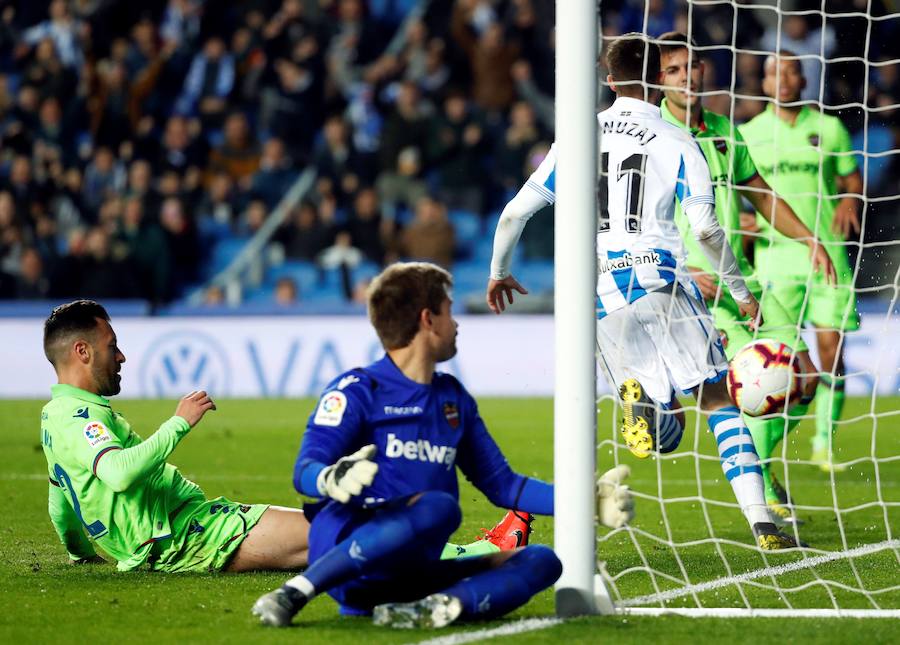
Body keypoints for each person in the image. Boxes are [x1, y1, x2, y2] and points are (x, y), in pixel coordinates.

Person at [486, 34, 799, 550]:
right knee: (718, 400)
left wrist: (498, 270)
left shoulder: (578, 137)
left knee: (656, 419)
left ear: (609, 81)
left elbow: (516, 211)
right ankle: (762, 523)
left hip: (600, 295)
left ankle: (649, 400)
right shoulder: (679, 141)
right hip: (660, 279)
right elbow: (707, 232)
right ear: (658, 79)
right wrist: (741, 292)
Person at [252, 262, 635, 628]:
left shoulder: (453, 400)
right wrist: (329, 478)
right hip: (350, 564)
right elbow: (304, 470)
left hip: (412, 572)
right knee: (440, 506)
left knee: (543, 560)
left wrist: (580, 502)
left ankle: (434, 609)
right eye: (449, 311)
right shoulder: (357, 391)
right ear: (427, 319)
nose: (456, 324)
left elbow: (504, 486)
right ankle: (295, 592)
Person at [39, 300, 536, 573]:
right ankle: (484, 554)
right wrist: (179, 422)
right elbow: (119, 475)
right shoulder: (80, 417)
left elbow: (62, 495)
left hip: (180, 531)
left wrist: (80, 551)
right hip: (187, 535)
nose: (121, 356)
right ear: (82, 352)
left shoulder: (54, 418)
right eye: (111, 346)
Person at [657, 32, 837, 524]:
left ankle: (763, 464)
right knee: (724, 394)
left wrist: (809, 240)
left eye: (692, 67)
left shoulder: (722, 129)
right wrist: (683, 270)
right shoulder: (652, 136)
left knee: (805, 377)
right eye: (674, 70)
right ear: (658, 80)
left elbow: (761, 195)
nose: (687, 76)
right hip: (688, 291)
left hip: (743, 283)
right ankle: (759, 492)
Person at [739, 52, 863, 473]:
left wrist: (849, 199)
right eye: (775, 72)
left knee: (833, 352)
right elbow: (734, 189)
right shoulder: (748, 133)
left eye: (791, 71)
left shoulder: (828, 128)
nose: (784, 79)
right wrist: (740, 222)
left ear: (803, 80)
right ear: (764, 82)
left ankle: (823, 444)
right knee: (780, 364)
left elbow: (850, 177)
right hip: (774, 260)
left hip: (826, 255)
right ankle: (766, 457)